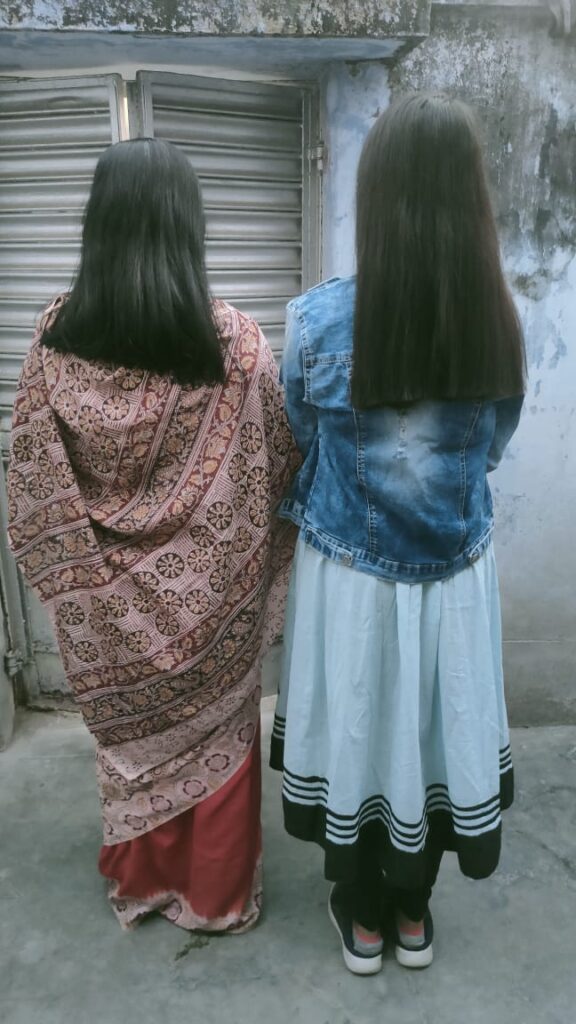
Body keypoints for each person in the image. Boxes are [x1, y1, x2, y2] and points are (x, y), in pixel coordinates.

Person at [7, 138, 299, 933]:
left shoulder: (54, 340)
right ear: (188, 227)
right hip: (212, 610)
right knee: (219, 739)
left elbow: (32, 481)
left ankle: (144, 885)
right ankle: (215, 898)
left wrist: (85, 586)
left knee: (130, 747)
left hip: (103, 611)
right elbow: (278, 463)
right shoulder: (238, 345)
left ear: (97, 227)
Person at [271, 93, 526, 974]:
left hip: (348, 575)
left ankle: (365, 916)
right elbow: (491, 450)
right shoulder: (500, 325)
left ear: (374, 194)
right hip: (454, 575)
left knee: (358, 726)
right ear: (471, 197)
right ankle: (415, 913)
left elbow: (303, 435)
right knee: (431, 730)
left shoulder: (313, 321)